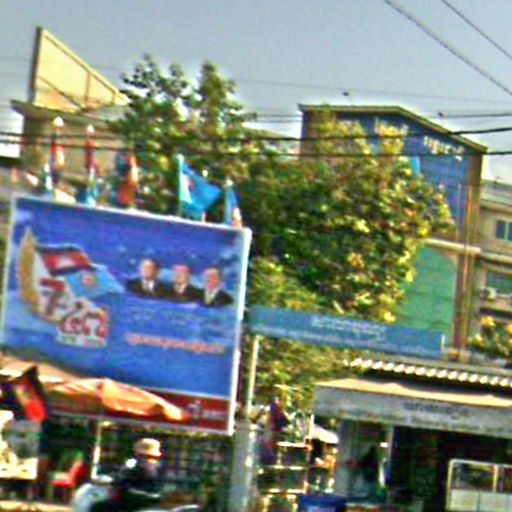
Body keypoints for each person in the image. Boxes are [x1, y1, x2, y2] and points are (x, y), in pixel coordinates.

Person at [91, 438, 164, 512]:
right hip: (148, 499)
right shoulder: (158, 466)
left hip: (135, 500)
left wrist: (111, 482)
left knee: (98, 507)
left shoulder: (142, 466)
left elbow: (124, 480)